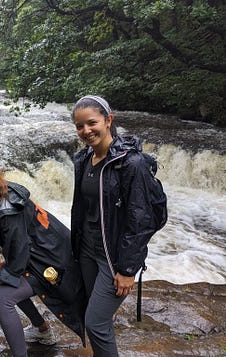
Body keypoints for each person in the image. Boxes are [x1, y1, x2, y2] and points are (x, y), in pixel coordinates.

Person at [0, 149, 86, 357]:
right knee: (6, 277)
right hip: (43, 254)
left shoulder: (7, 206)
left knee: (2, 297)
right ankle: (42, 331)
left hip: (53, 263)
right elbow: (20, 239)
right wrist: (5, 259)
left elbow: (18, 262)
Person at [71, 95, 161, 356]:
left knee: (95, 322)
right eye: (79, 126)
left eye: (91, 123)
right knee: (98, 318)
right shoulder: (83, 159)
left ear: (108, 120)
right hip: (87, 250)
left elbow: (140, 220)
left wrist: (128, 269)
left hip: (113, 257)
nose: (86, 131)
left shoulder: (131, 164)